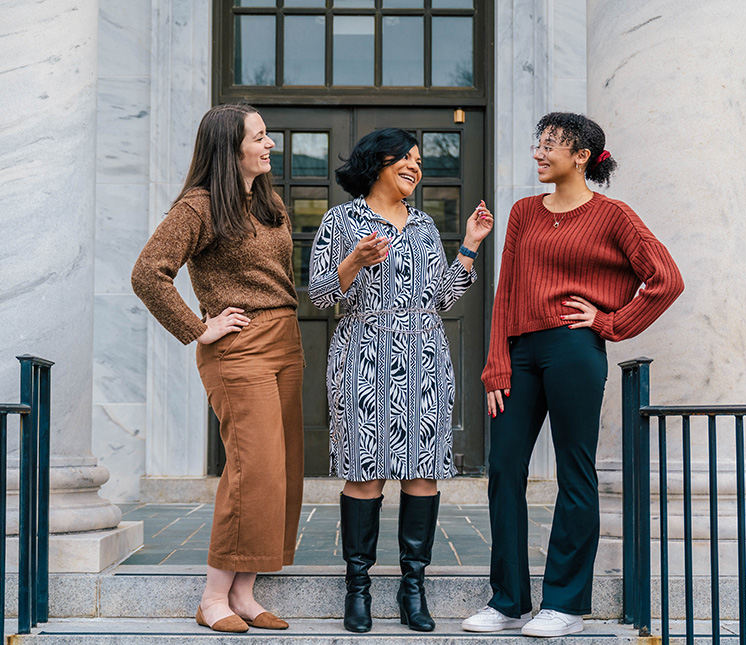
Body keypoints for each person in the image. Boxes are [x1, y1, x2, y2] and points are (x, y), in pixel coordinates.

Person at [462, 112, 684, 638]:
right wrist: (496, 363)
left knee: (574, 472)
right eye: (538, 145)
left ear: (581, 155)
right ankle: (508, 600)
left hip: (574, 349)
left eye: (549, 146)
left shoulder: (614, 216)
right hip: (519, 351)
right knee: (504, 467)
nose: (539, 153)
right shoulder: (522, 213)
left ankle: (563, 603)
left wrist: (610, 323)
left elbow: (666, 279)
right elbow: (507, 289)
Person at [308, 128, 493, 633]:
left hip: (423, 360)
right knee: (364, 472)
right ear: (377, 163)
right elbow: (321, 297)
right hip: (362, 357)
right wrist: (354, 261)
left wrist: (470, 248)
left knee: (421, 474)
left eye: (418, 160)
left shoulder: (426, 227)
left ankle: (414, 587)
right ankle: (359, 588)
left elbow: (442, 297)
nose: (415, 166)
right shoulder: (340, 220)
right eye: (405, 159)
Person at [131, 104, 303, 634]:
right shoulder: (198, 207)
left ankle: (245, 594)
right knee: (252, 468)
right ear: (231, 147)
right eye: (260, 136)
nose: (270, 143)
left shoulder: (268, 202)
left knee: (280, 470)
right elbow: (148, 273)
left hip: (285, 340)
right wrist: (197, 328)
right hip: (241, 346)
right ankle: (212, 597)